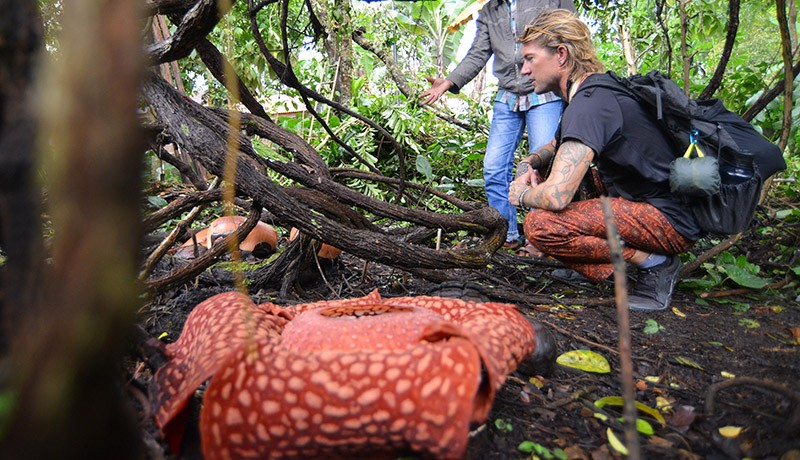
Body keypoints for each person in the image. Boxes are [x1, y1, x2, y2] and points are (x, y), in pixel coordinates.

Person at [508, 9, 700, 312]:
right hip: (648, 202)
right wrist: (529, 164)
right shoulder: (591, 91)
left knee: (540, 225)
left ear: (561, 54)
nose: (525, 70)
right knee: (547, 170)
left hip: (669, 219)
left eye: (530, 59)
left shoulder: (590, 104)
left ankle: (656, 263)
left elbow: (557, 197)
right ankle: (606, 268)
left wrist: (521, 195)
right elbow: (555, 146)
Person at [420, 0, 577, 250]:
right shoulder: (489, 10)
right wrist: (450, 82)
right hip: (508, 96)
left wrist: (573, 85)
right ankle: (505, 236)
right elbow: (478, 53)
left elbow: (572, 32)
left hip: (545, 93)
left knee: (542, 169)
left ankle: (542, 241)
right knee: (494, 167)